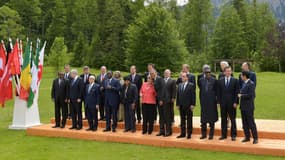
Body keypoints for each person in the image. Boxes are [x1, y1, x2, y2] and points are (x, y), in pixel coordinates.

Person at [217, 66, 239, 141]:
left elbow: (237, 92)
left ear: (231, 72)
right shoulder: (220, 81)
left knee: (233, 119)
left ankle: (233, 135)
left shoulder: (235, 80)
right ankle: (223, 135)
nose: (228, 72)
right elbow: (218, 93)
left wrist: (236, 102)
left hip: (232, 103)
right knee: (223, 119)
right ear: (224, 72)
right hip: (223, 103)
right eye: (226, 71)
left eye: (229, 71)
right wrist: (218, 102)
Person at [198, 67, 218, 140]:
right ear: (204, 73)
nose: (208, 74)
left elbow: (216, 91)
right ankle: (203, 134)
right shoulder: (201, 80)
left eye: (209, 72)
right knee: (203, 120)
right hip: (204, 102)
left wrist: (217, 101)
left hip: (212, 102)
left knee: (211, 119)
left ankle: (211, 134)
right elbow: (201, 90)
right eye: (206, 72)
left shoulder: (214, 80)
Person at [239, 71, 258, 144]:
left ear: (244, 76)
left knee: (251, 123)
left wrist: (241, 95)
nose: (241, 77)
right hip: (243, 106)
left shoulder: (251, 84)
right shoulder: (244, 83)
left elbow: (251, 95)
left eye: (241, 76)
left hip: (249, 107)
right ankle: (247, 137)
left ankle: (255, 138)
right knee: (244, 123)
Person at [176, 72, 196, 139]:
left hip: (188, 105)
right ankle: (182, 133)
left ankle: (189, 133)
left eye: (184, 76)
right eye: (182, 76)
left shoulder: (191, 85)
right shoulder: (179, 85)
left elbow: (193, 96)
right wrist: (177, 104)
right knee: (182, 120)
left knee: (189, 120)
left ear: (187, 78)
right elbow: (178, 95)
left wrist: (193, 104)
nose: (182, 78)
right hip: (181, 105)